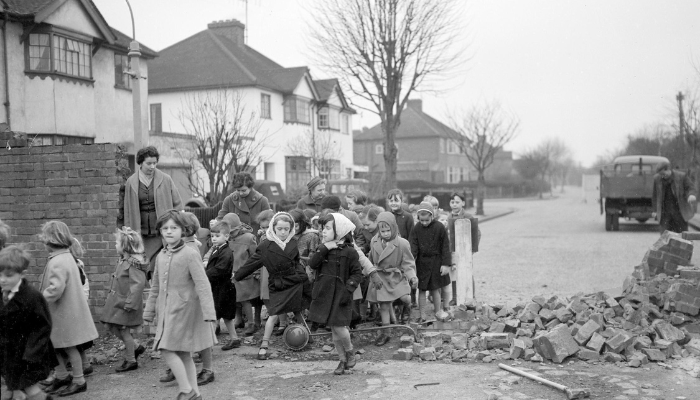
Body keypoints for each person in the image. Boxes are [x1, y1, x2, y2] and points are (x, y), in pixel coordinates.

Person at [143, 210, 216, 400]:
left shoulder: (190, 254)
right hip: (167, 311)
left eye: (174, 228)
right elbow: (156, 287)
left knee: (166, 349)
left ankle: (186, 390)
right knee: (183, 354)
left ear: (183, 230)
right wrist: (149, 311)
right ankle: (196, 394)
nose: (169, 232)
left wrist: (209, 312)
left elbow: (203, 284)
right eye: (165, 228)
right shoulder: (160, 256)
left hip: (185, 310)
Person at [233, 212, 309, 360]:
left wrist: (301, 276)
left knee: (297, 310)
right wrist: (237, 276)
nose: (282, 232)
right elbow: (251, 263)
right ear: (273, 227)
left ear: (290, 229)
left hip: (293, 282)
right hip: (278, 284)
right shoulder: (265, 246)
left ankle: (307, 338)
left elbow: (296, 262)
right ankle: (264, 345)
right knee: (273, 314)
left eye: (286, 229)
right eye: (279, 228)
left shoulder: (293, 243)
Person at [39, 221, 98, 397]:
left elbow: (56, 289)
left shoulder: (57, 261)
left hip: (62, 313)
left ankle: (79, 380)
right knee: (56, 345)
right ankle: (63, 376)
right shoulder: (67, 257)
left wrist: (39, 299)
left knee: (68, 347)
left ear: (50, 240)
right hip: (65, 312)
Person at [308, 213, 363, 375]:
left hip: (341, 295)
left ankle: (350, 351)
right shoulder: (323, 248)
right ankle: (342, 360)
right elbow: (312, 264)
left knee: (339, 326)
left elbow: (357, 274)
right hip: (325, 294)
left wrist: (348, 289)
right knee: (334, 329)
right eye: (321, 228)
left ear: (339, 231)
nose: (322, 232)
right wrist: (324, 249)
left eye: (326, 228)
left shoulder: (350, 252)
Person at [0, 246, 57, 400]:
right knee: (16, 388)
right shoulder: (2, 294)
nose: (2, 279)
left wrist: (31, 354)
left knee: (31, 389)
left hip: (27, 355)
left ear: (22, 274)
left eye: (8, 275)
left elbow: (43, 327)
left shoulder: (32, 297)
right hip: (8, 354)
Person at [123, 146, 183, 276]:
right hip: (141, 235)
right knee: (142, 270)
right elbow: (127, 210)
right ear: (140, 162)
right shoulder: (131, 182)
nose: (152, 167)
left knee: (160, 268)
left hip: (161, 235)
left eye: (155, 163)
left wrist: (176, 225)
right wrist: (129, 231)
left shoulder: (166, 179)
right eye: (148, 163)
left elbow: (178, 205)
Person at [100, 227, 148, 373]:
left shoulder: (134, 263)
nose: (115, 245)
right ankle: (135, 347)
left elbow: (138, 285)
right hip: (118, 302)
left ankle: (131, 360)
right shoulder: (123, 260)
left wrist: (129, 303)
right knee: (112, 326)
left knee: (124, 330)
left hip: (126, 303)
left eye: (116, 243)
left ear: (125, 246)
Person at [367, 212, 418, 344]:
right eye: (382, 230)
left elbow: (408, 263)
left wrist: (412, 277)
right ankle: (386, 332)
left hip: (396, 276)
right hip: (381, 277)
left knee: (405, 297)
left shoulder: (402, 243)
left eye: (388, 230)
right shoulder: (374, 241)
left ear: (394, 228)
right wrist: (369, 271)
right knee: (383, 305)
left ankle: (407, 307)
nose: (385, 234)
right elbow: (371, 259)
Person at [408, 203, 453, 322]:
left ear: (432, 216)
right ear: (418, 218)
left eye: (427, 220)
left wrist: (445, 264)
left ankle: (438, 312)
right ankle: (422, 314)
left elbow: (445, 247)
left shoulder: (439, 227)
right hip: (421, 263)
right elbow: (413, 245)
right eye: (421, 220)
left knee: (435, 288)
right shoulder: (416, 228)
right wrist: (411, 262)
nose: (424, 223)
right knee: (421, 289)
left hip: (436, 262)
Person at [204, 221, 240, 352]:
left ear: (226, 236)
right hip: (219, 287)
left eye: (217, 236)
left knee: (215, 315)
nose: (214, 238)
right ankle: (234, 339)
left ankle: (207, 347)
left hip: (223, 288)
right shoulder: (217, 249)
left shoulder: (226, 252)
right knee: (224, 315)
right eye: (212, 236)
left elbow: (220, 269)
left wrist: (204, 274)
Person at [222, 213, 260, 337]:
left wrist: (255, 271)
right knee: (235, 299)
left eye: (232, 232)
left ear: (239, 228)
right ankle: (239, 320)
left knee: (245, 300)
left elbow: (255, 256)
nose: (230, 235)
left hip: (244, 274)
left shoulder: (249, 238)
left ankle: (251, 323)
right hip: (231, 274)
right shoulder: (226, 238)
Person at [447, 192, 480, 305]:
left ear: (463, 203)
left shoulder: (468, 217)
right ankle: (455, 297)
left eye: (457, 202)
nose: (454, 205)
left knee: (467, 272)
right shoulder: (449, 217)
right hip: (453, 251)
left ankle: (472, 296)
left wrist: (472, 249)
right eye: (452, 202)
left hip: (465, 250)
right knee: (454, 274)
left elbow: (477, 233)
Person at [652, 161, 697, 233]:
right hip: (665, 214)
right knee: (665, 236)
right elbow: (655, 195)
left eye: (663, 174)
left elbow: (690, 188)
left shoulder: (681, 176)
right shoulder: (657, 179)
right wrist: (654, 210)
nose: (662, 176)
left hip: (680, 212)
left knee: (683, 235)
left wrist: (691, 195)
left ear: (668, 169)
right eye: (660, 175)